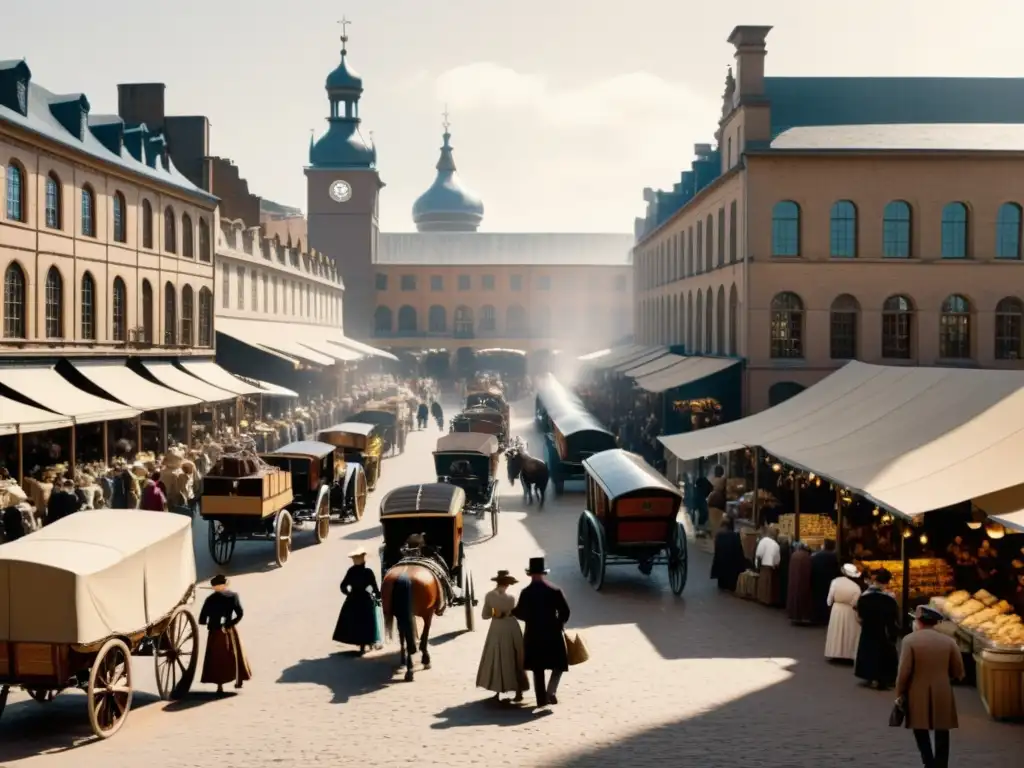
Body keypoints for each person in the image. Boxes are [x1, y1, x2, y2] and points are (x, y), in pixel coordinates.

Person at [897, 605, 965, 768]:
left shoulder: (909, 640)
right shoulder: (949, 642)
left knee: (919, 728)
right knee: (942, 730)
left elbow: (904, 671)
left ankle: (928, 762)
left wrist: (899, 692)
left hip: (917, 690)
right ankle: (941, 764)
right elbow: (958, 671)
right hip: (942, 690)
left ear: (919, 622)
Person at [512, 556, 571, 707]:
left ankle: (541, 701)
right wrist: (559, 624)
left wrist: (528, 618)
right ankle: (551, 690)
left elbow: (519, 613)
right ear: (544, 573)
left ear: (530, 574)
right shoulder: (555, 590)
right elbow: (565, 611)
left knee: (538, 669)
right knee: (559, 665)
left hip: (533, 634)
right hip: (552, 633)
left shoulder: (526, 592)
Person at [476, 570, 528, 703]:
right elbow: (518, 612)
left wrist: (496, 612)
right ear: (508, 584)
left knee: (497, 657)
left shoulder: (489, 596)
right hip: (512, 627)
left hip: (497, 627)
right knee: (515, 656)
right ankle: (518, 691)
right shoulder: (512, 598)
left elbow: (485, 615)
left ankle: (498, 690)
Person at [198, 575, 252, 694]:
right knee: (235, 655)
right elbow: (240, 613)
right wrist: (230, 624)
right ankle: (239, 680)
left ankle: (219, 685)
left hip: (214, 631)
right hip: (228, 629)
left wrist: (209, 621)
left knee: (216, 658)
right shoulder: (233, 596)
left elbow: (201, 619)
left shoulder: (210, 599)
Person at [854, 568, 901, 689]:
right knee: (885, 652)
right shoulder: (890, 597)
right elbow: (895, 616)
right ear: (888, 581)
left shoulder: (865, 595)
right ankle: (885, 677)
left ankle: (869, 676)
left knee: (868, 651)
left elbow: (859, 616)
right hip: (884, 630)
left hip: (869, 629)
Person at [332, 547, 381, 654]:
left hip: (353, 599)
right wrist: (377, 596)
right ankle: (370, 642)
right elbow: (373, 587)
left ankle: (360, 643)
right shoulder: (368, 572)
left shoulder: (351, 571)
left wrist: (349, 593)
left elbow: (343, 586)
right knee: (368, 621)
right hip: (366, 599)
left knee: (353, 621)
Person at [825, 563, 863, 662]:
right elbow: (856, 602)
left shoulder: (835, 582)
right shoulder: (856, 587)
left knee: (836, 631)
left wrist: (830, 605)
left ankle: (835, 653)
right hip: (850, 610)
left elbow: (830, 598)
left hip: (837, 609)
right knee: (849, 631)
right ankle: (848, 654)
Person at [710, 517, 746, 591]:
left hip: (720, 565)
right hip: (731, 567)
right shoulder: (735, 536)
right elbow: (739, 552)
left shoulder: (719, 536)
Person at [810, 539, 841, 624]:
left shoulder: (815, 555)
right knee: (826, 599)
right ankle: (825, 617)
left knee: (817, 598)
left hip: (817, 579)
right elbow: (836, 570)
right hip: (828, 580)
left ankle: (817, 617)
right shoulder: (833, 556)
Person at [786, 542, 814, 624]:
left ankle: (793, 614)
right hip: (803, 580)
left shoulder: (794, 555)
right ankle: (802, 616)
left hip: (793, 579)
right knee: (802, 597)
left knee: (793, 596)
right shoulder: (806, 557)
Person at [754, 525, 782, 606]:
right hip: (771, 567)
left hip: (763, 565)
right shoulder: (776, 544)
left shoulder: (763, 541)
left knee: (763, 583)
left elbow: (759, 554)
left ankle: (762, 598)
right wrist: (776, 564)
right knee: (769, 585)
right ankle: (768, 600)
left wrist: (757, 566)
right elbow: (777, 558)